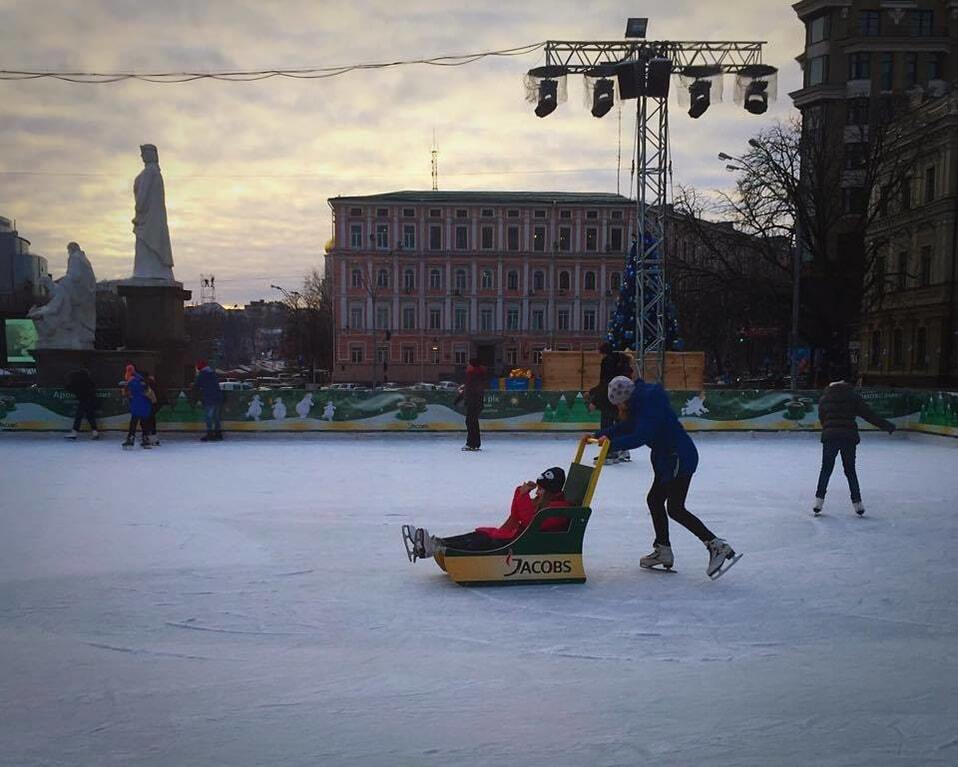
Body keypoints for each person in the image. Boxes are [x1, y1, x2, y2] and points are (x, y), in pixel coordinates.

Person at [595, 375, 739, 579]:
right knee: (654, 500)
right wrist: (602, 433)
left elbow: (640, 436)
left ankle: (717, 546)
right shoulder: (641, 403)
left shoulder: (648, 403)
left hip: (678, 456)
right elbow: (629, 426)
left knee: (675, 508)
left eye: (619, 405)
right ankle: (663, 549)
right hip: (666, 458)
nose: (619, 410)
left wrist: (611, 444)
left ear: (625, 399)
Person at [403, 467, 572, 561]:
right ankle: (434, 544)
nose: (538, 492)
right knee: (480, 534)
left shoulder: (558, 510)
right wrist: (519, 493)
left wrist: (523, 496)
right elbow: (517, 514)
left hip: (525, 543)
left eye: (541, 489)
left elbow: (530, 522)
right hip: (517, 536)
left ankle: (436, 546)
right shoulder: (543, 503)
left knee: (485, 540)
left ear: (550, 490)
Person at [814, 377, 896, 516]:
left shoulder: (824, 399)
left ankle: (818, 502)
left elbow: (822, 419)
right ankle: (857, 503)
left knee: (826, 470)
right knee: (850, 471)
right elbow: (869, 415)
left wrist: (829, 429)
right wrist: (886, 425)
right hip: (848, 438)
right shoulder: (853, 397)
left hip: (830, 437)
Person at [588, 341, 633, 464]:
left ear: (603, 353)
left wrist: (595, 401)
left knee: (607, 424)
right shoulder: (620, 361)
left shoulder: (608, 362)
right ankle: (623, 450)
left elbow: (605, 383)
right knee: (620, 424)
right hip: (622, 397)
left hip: (610, 398)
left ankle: (610, 453)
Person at [455, 357, 487, 451]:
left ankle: (471, 443)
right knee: (473, 422)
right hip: (476, 402)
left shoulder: (473, 375)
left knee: (471, 422)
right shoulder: (476, 375)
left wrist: (462, 399)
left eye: (469, 364)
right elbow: (468, 390)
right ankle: (475, 443)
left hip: (474, 402)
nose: (467, 366)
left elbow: (470, 390)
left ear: (472, 366)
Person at [121, 364, 153, 448]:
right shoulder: (142, 380)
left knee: (133, 423)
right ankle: (146, 439)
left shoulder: (131, 381)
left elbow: (126, 393)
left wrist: (125, 390)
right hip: (145, 405)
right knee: (144, 423)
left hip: (136, 404)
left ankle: (130, 439)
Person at [191, 359, 224, 441]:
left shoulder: (202, 375)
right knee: (216, 416)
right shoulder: (212, 373)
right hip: (218, 397)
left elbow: (196, 386)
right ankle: (218, 433)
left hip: (209, 398)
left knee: (208, 417)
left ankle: (210, 433)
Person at [64, 368, 99, 440]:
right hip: (91, 399)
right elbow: (93, 387)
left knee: (79, 416)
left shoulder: (76, 380)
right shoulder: (88, 380)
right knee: (90, 416)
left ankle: (74, 433)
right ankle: (95, 433)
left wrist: (67, 387)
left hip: (84, 400)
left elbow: (70, 388)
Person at [140, 369, 167, 446]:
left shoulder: (146, 382)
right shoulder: (152, 382)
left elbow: (147, 394)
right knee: (151, 419)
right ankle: (153, 438)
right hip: (156, 403)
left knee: (145, 420)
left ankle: (147, 437)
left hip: (151, 403)